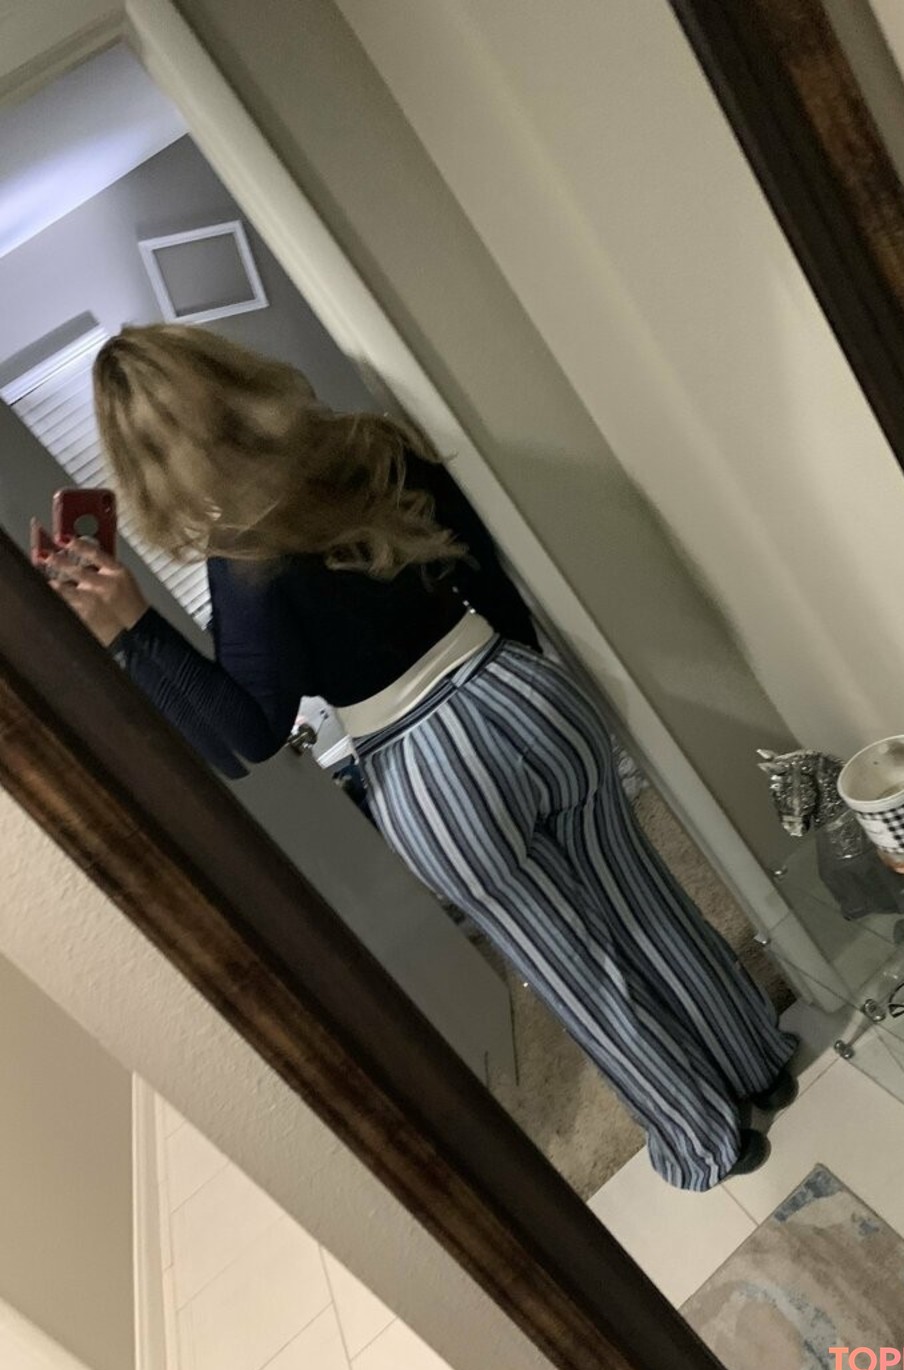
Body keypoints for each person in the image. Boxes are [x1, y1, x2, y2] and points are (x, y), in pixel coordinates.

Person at [49, 323, 796, 1190]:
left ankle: (706, 1138)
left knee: (578, 969)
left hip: (427, 767)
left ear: (148, 467)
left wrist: (133, 632)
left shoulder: (243, 557)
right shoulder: (372, 443)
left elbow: (248, 735)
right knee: (640, 894)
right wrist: (511, 686)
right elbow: (489, 577)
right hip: (519, 691)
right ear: (233, 376)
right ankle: (755, 1061)